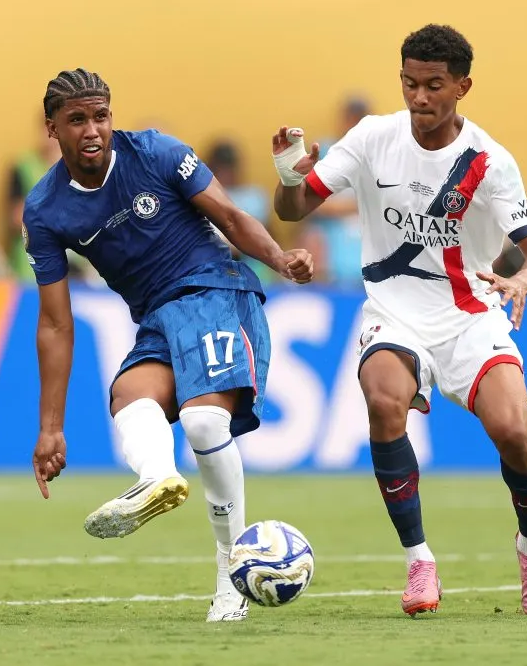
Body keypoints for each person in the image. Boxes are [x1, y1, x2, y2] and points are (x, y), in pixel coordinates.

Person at [271, 24, 527, 618]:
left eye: (433, 85)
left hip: (470, 316)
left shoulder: (488, 161)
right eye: (409, 83)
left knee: (515, 435)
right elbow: (293, 209)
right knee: (382, 401)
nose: (419, 97)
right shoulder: (374, 137)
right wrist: (288, 173)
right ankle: (419, 561)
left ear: (463, 86)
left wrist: (520, 281)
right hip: (393, 311)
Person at [24, 68, 314, 623]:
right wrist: (50, 427)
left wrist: (280, 259)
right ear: (52, 129)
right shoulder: (45, 210)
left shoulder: (155, 153)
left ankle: (232, 578)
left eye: (101, 116)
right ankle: (156, 476)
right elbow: (56, 324)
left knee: (206, 424)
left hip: (215, 289)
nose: (93, 129)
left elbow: (228, 216)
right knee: (130, 396)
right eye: (77, 119)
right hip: (157, 316)